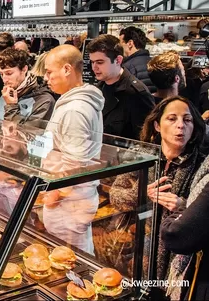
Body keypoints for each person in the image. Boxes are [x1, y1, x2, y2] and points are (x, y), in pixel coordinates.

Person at [111, 96, 206, 297]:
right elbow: (115, 196)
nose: (180, 125)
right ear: (156, 125)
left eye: (187, 120)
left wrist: (184, 206)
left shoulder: (201, 165)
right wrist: (142, 194)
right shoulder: (141, 155)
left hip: (174, 262)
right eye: (172, 119)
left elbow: (200, 217)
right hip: (133, 253)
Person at [42, 44, 105, 254]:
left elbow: (75, 163)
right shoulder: (74, 101)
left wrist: (55, 195)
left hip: (70, 203)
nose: (46, 78)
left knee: (71, 259)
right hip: (72, 200)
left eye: (50, 72)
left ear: (67, 69)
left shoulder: (75, 110)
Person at [87, 34, 155, 140]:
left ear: (118, 60)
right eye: (92, 62)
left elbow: (145, 139)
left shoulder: (136, 94)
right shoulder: (97, 89)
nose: (94, 67)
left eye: (100, 62)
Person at [161, 155, 209, 301]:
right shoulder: (145, 152)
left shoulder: (197, 160)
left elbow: (175, 233)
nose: (180, 129)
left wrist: (184, 207)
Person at [0, 48, 55, 123]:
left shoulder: (45, 101)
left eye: (9, 73)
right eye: (1, 74)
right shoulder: (6, 96)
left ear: (24, 69)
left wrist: (11, 106)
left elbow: (26, 133)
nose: (4, 80)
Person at [119, 26, 156, 93]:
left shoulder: (127, 67)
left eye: (121, 43)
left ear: (130, 43)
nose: (119, 47)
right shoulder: (155, 62)